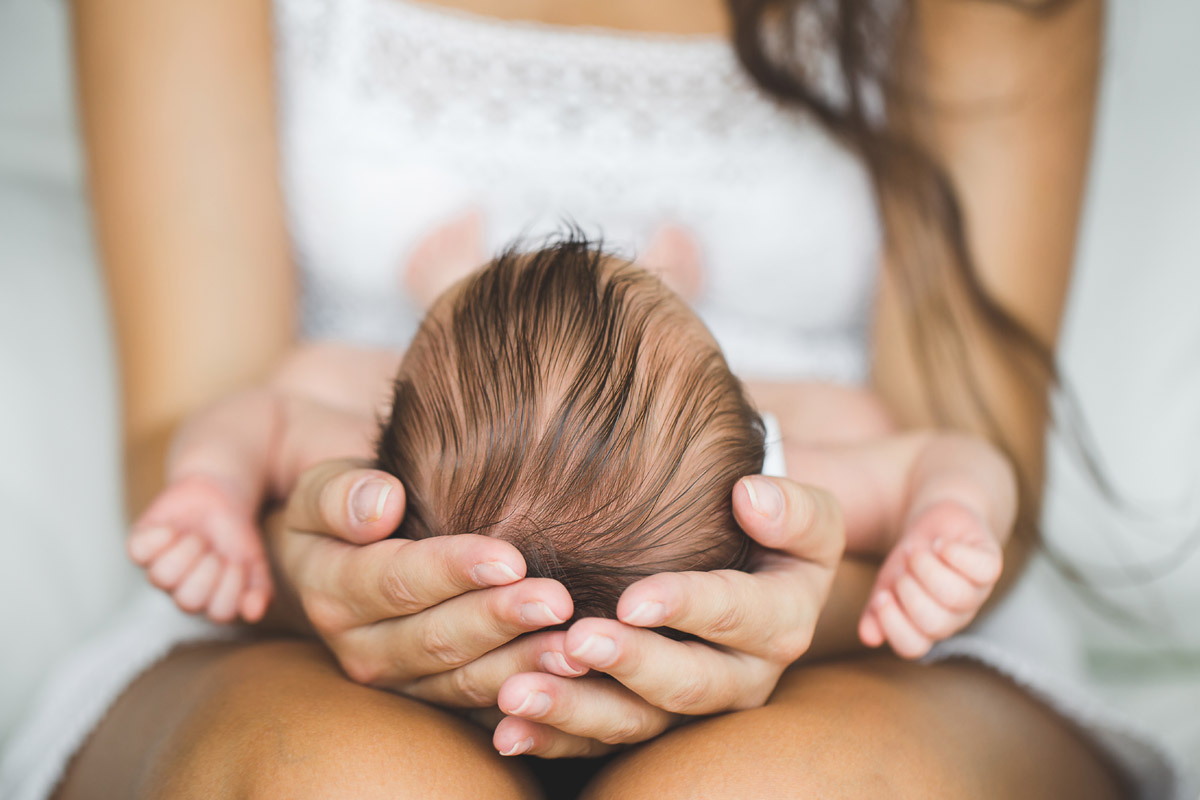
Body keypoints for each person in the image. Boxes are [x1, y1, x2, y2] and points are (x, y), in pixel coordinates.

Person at [12, 0, 1158, 797]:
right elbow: (944, 466)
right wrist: (292, 564)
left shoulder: (339, 402)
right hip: (324, 625)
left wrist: (214, 499)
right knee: (331, 779)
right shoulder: (807, 446)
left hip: (834, 635)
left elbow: (239, 424)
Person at [130, 238, 1014, 652]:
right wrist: (949, 517)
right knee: (861, 418)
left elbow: (264, 416)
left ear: (386, 421)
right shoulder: (768, 488)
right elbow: (946, 454)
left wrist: (212, 486)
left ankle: (439, 285)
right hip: (738, 414)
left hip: (461, 388)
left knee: (310, 365)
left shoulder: (381, 484)